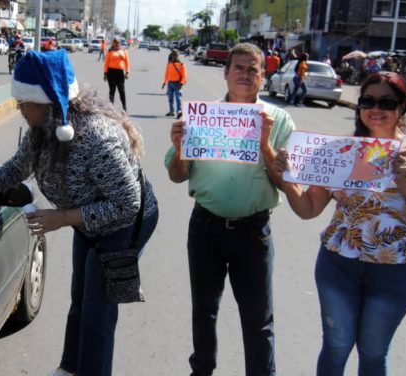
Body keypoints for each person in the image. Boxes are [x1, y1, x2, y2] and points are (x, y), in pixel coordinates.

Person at [0, 50, 159, 376]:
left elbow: (126, 204)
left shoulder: (95, 138)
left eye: (23, 103)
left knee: (98, 311)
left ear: (47, 103)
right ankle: (70, 368)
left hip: (125, 223)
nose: (19, 110)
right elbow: (18, 167)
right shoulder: (43, 128)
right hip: (88, 220)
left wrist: (63, 218)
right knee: (81, 294)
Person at [272, 71, 406, 376]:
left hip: (395, 273)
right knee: (336, 346)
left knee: (373, 353)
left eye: (386, 102)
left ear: (402, 106)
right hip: (337, 266)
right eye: (368, 101)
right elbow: (308, 209)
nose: (376, 109)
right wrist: (287, 179)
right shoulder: (339, 150)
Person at [165, 42, 296, 376]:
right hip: (205, 227)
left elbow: (285, 183)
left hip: (253, 231)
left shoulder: (279, 120)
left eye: (253, 69)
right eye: (238, 67)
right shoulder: (200, 117)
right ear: (225, 73)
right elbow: (177, 175)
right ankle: (202, 370)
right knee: (204, 311)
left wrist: (264, 142)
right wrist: (180, 149)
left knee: (258, 319)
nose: (245, 74)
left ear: (263, 77)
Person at [104, 38, 130, 112]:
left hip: (120, 73)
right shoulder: (110, 51)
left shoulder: (123, 51)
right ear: (113, 43)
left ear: (120, 43)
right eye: (115, 42)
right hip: (111, 72)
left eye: (118, 42)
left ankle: (124, 108)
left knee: (122, 91)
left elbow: (127, 63)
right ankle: (111, 108)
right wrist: (105, 73)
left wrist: (127, 72)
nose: (116, 44)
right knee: (112, 90)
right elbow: (106, 63)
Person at [162, 49, 187, 117]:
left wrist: (181, 83)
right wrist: (164, 83)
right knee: (170, 98)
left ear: (178, 56)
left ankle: (179, 111)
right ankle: (171, 111)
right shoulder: (169, 65)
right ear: (171, 56)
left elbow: (184, 76)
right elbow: (166, 75)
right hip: (170, 83)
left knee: (178, 98)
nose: (174, 56)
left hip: (177, 84)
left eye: (175, 55)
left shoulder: (181, 65)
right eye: (173, 55)